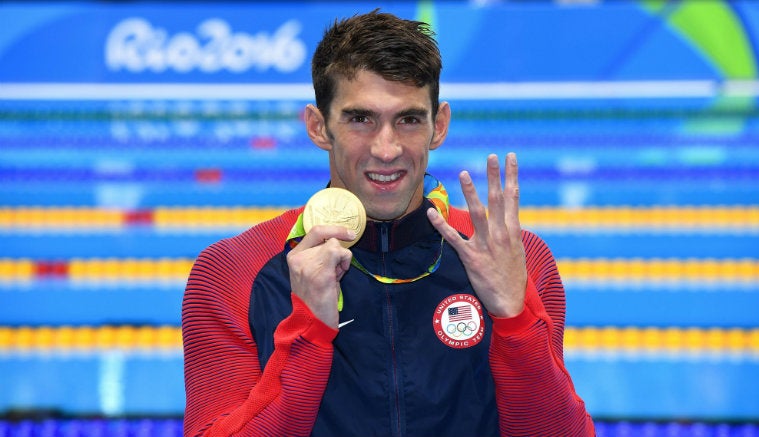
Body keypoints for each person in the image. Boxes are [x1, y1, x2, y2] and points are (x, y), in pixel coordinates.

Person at [182, 9, 594, 437]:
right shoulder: (234, 270)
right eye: (361, 119)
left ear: (440, 126)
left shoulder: (514, 259)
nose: (386, 149)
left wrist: (515, 321)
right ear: (319, 126)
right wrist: (308, 333)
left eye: (409, 119)